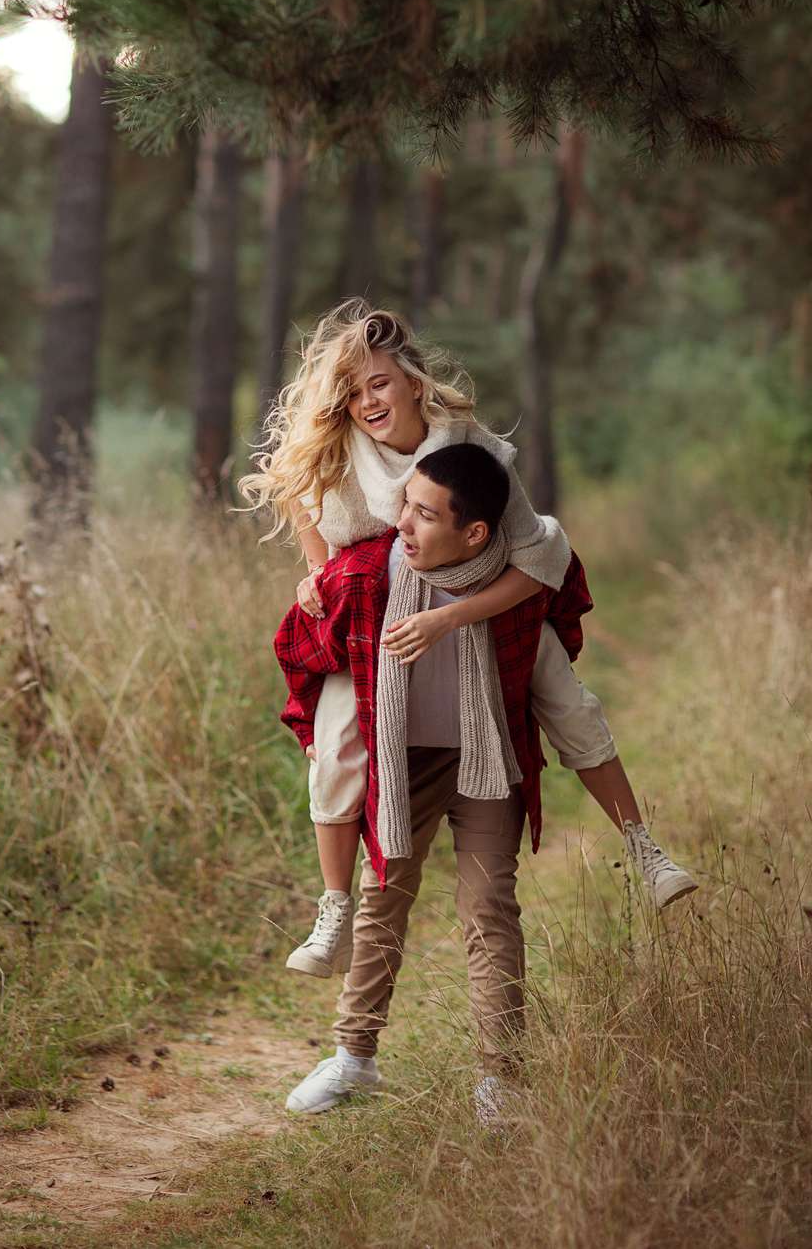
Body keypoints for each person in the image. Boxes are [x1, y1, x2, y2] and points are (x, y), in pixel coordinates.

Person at [241, 301, 695, 978]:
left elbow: (540, 564)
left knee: (568, 702)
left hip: (482, 609)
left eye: (380, 384)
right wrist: (314, 578)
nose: (368, 401)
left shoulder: (473, 452)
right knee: (336, 746)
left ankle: (644, 848)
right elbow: (305, 518)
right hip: (375, 628)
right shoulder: (333, 458)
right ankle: (334, 910)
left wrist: (452, 616)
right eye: (354, 390)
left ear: (414, 383)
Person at [275, 444, 583, 1118]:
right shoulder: (373, 571)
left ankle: (502, 1080)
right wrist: (317, 739)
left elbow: (562, 610)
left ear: (474, 533)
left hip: (484, 754)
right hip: (401, 759)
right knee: (381, 897)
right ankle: (354, 1058)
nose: (404, 525)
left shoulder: (508, 577)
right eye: (403, 505)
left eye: (424, 515)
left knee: (489, 908)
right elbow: (302, 653)